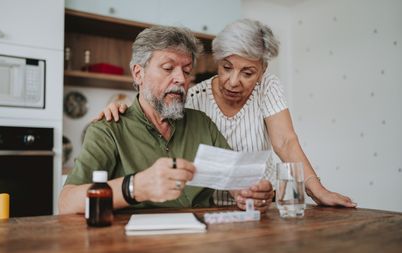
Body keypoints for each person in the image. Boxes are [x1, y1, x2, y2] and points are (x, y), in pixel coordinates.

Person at [96, 19, 357, 210]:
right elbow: (157, 113)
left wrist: (317, 190)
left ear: (262, 70)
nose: (234, 82)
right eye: (227, 67)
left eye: (248, 73)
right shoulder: (192, 98)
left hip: (259, 200)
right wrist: (126, 111)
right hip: (213, 207)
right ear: (217, 61)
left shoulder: (268, 88)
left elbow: (286, 142)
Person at [59, 25, 274, 214]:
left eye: (187, 70)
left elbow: (236, 181)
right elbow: (67, 203)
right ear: (138, 74)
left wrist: (251, 193)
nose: (181, 79)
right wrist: (135, 187)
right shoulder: (109, 128)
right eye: (168, 68)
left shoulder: (202, 123)